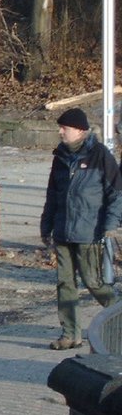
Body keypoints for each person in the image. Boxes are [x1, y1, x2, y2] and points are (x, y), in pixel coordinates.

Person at [40, 107, 122, 350]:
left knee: (94, 282)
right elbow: (52, 195)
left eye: (64, 128)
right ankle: (70, 334)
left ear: (80, 131)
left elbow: (116, 194)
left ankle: (118, 321)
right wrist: (46, 225)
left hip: (90, 231)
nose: (60, 131)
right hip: (63, 231)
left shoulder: (100, 156)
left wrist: (110, 225)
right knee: (65, 284)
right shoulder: (60, 157)